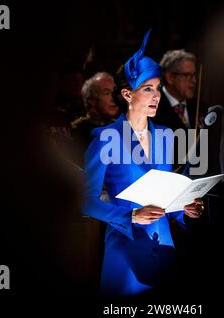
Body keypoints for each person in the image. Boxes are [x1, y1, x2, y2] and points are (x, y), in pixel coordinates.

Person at [82, 29, 204, 297]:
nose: (156, 96)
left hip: (165, 252)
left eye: (158, 89)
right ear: (127, 95)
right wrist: (130, 216)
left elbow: (166, 198)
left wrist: (184, 210)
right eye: (147, 89)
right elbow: (84, 200)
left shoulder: (163, 135)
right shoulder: (107, 138)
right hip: (125, 254)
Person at [71, 72, 119, 168]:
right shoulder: (77, 130)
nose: (113, 98)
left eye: (114, 93)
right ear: (91, 100)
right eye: (107, 93)